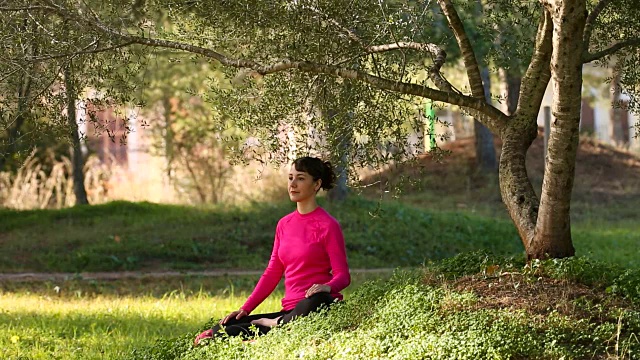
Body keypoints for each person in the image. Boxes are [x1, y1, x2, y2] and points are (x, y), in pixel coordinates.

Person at [194, 156, 351, 345]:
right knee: (223, 329)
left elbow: (343, 276)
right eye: (290, 177)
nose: (293, 184)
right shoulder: (284, 224)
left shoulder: (328, 225)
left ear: (316, 184)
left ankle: (273, 326)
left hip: (313, 307)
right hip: (290, 313)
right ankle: (275, 326)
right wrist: (246, 309)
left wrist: (328, 286)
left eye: (300, 178)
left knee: (318, 299)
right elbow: (272, 272)